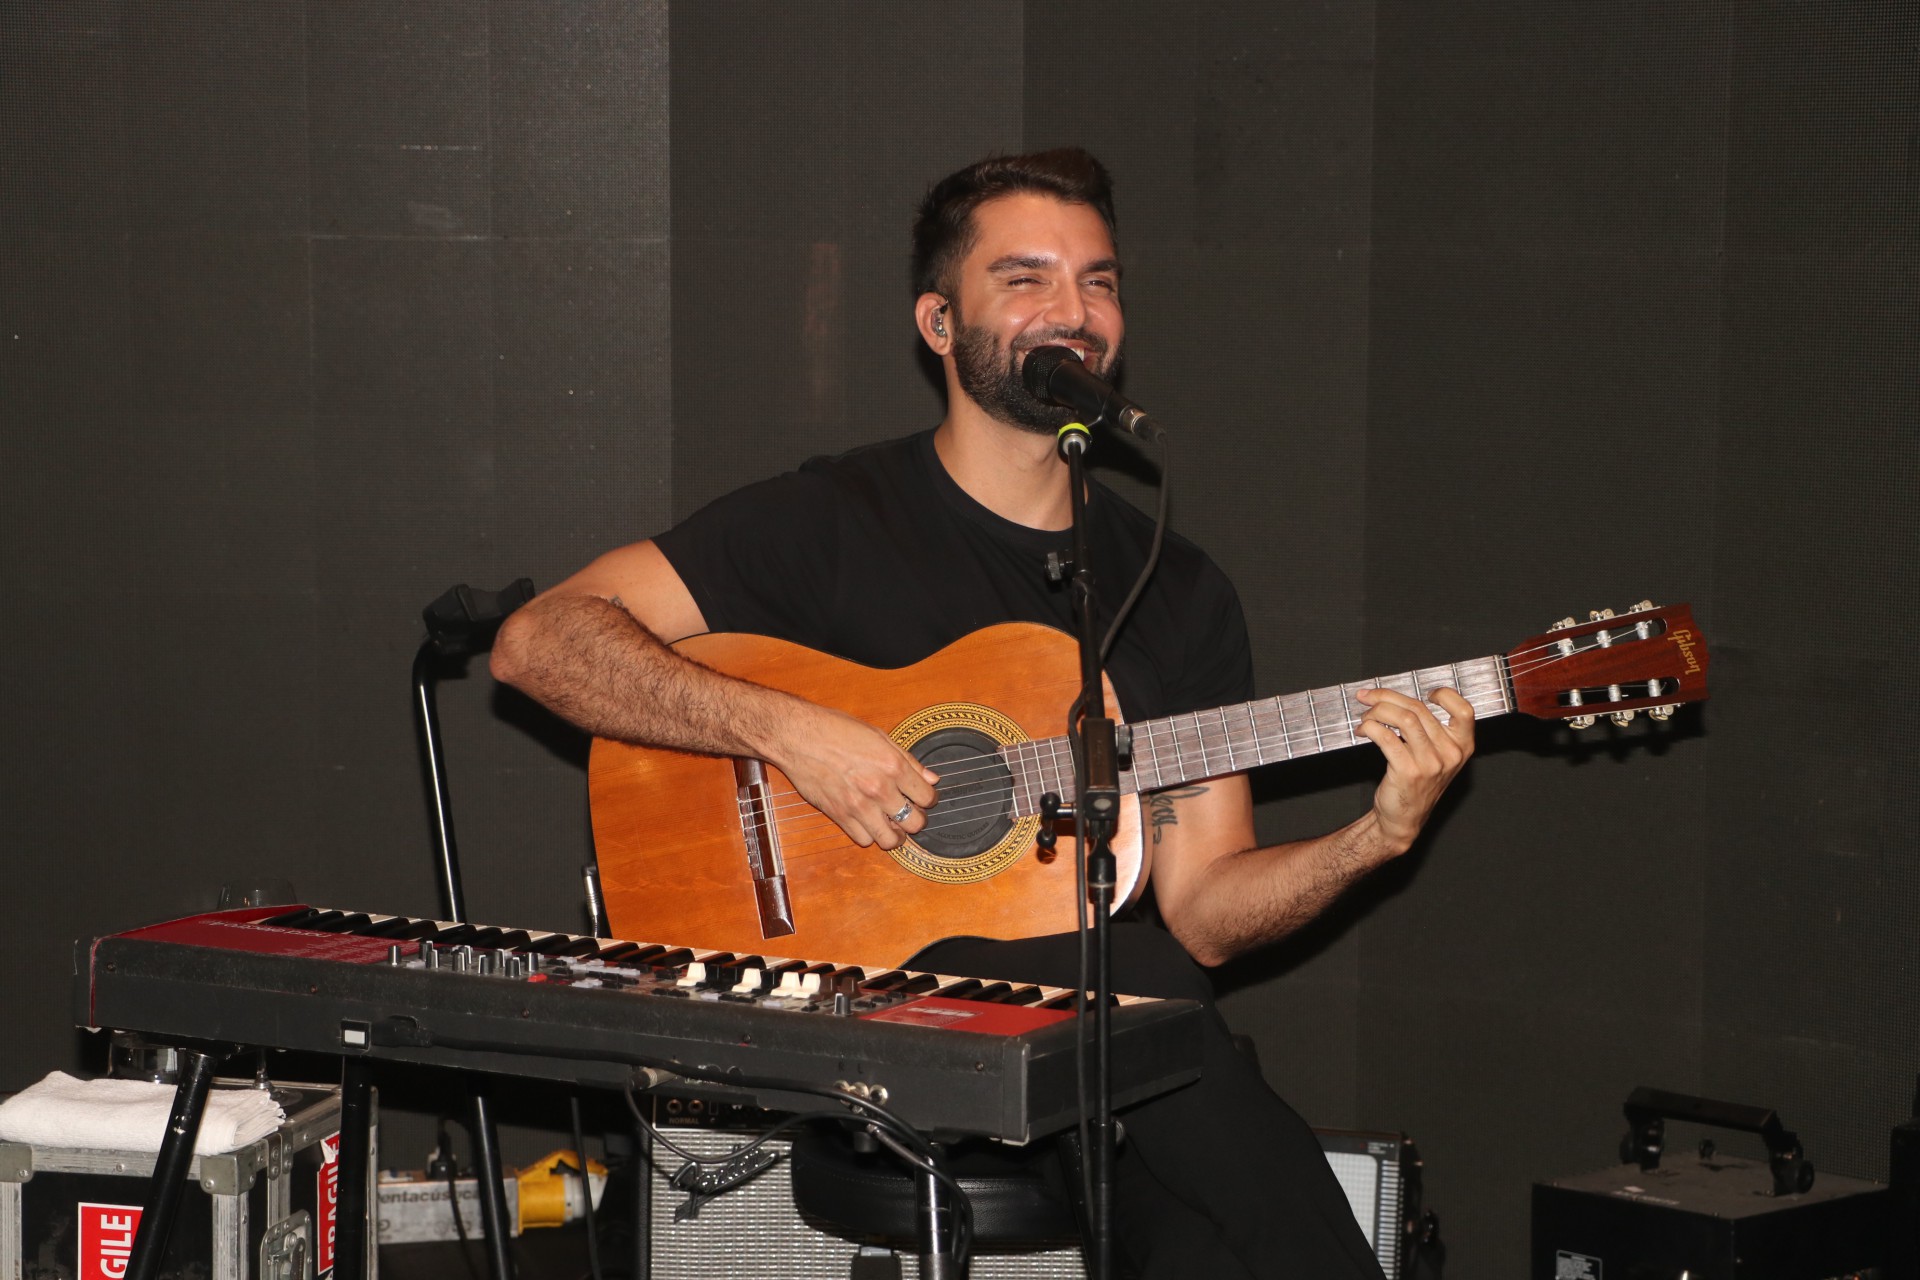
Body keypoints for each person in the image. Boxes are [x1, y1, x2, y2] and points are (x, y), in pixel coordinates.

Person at [491, 148, 1474, 1278]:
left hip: (1073, 1036)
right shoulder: (835, 521)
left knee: (1161, 1052)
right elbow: (539, 643)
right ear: (939, 323)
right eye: (1026, 278)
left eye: (1098, 281)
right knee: (1147, 1001)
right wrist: (788, 731)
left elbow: (1206, 911)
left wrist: (1375, 836)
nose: (1074, 310)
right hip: (831, 994)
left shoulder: (1175, 588)